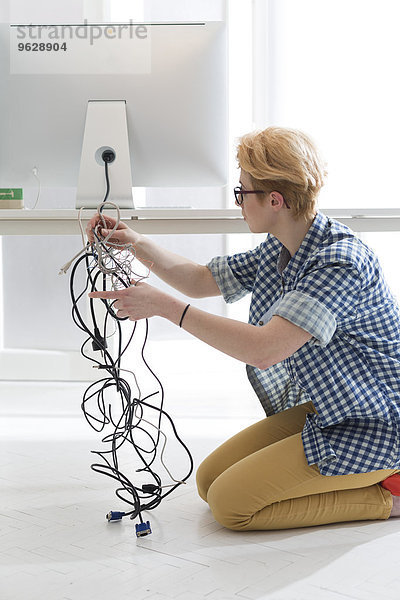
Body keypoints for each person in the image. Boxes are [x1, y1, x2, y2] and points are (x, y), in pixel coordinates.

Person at [87, 126, 400, 531]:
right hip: (333, 410)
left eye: (242, 192)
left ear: (274, 200)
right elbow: (201, 280)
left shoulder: (338, 262)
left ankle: (387, 497)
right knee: (208, 481)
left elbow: (265, 350)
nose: (238, 203)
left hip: (377, 424)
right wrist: (134, 242)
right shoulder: (286, 246)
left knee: (233, 506)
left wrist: (165, 308)